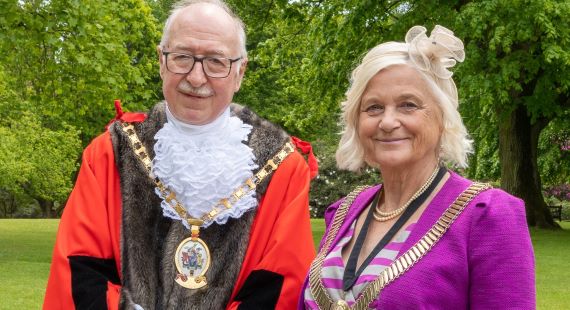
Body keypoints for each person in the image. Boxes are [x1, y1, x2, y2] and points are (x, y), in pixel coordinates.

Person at [43, 0, 318, 309]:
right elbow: (78, 270)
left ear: (240, 72)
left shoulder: (282, 167)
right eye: (182, 57)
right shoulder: (110, 153)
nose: (197, 78)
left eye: (216, 61)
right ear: (162, 62)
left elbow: (283, 286)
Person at [300, 25, 535, 309]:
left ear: (442, 117)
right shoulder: (344, 211)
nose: (387, 122)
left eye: (408, 105)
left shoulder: (487, 216)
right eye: (373, 107)